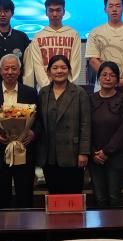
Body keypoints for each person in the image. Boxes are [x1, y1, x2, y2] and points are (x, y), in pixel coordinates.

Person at [0, 53, 39, 208]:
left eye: (13, 68)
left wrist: (33, 133)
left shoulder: (30, 93)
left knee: (25, 198)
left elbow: (39, 121)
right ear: (0, 71)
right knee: (2, 199)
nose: (10, 72)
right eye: (6, 68)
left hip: (24, 153)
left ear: (19, 71)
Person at [36, 54, 90, 194]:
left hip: (72, 153)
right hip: (49, 154)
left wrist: (83, 152)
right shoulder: (43, 93)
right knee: (54, 194)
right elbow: (39, 122)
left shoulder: (79, 93)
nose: (59, 71)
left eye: (63, 67)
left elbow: (85, 124)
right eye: (55, 68)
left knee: (73, 195)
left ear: (69, 70)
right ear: (48, 71)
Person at [87, 61, 123, 208]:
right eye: (104, 75)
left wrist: (107, 151)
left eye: (112, 75)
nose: (108, 78)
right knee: (99, 197)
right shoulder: (90, 99)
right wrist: (93, 152)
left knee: (114, 197)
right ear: (98, 78)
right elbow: (85, 127)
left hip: (116, 156)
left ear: (118, 79)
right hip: (94, 157)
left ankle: (115, 224)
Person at [25, 0, 82, 89]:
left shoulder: (73, 34)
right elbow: (38, 66)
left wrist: (68, 86)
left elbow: (75, 64)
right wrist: (47, 87)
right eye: (51, 10)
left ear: (64, 12)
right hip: (44, 89)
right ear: (46, 12)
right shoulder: (38, 36)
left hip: (68, 89)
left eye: (58, 10)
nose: (54, 14)